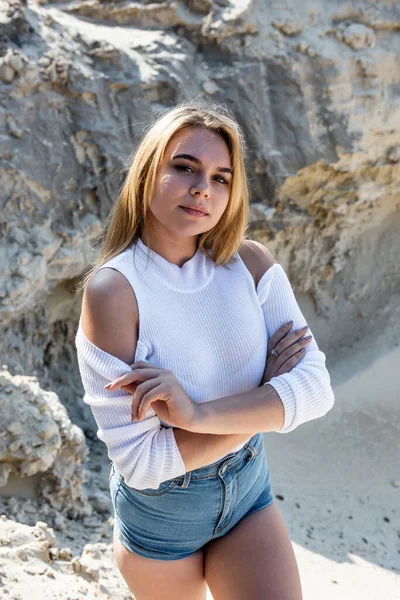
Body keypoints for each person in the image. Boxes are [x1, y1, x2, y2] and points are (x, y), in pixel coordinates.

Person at [75, 98, 335, 600]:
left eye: (221, 177)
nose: (203, 188)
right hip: (164, 515)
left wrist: (192, 415)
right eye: (185, 167)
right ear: (149, 171)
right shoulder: (114, 292)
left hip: (248, 486)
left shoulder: (252, 264)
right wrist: (268, 398)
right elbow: (145, 462)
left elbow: (317, 390)